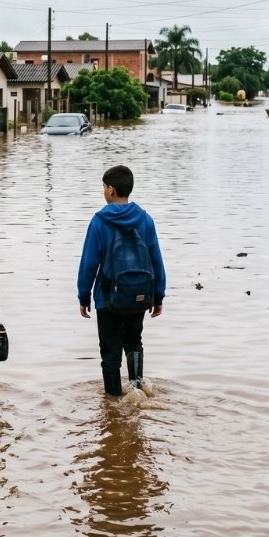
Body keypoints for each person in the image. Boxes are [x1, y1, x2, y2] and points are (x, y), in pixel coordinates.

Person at [77, 165, 167, 397]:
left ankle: (113, 404)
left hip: (107, 299)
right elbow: (156, 259)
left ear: (112, 190)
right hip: (139, 296)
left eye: (104, 187)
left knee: (110, 352)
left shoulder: (99, 221)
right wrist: (158, 295)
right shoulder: (145, 220)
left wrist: (83, 295)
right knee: (134, 342)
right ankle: (137, 388)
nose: (103, 191)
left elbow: (89, 263)